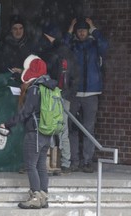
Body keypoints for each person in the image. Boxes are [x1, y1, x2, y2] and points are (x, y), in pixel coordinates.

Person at [0, 55, 56, 209]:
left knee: (31, 165)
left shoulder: (35, 88)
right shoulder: (49, 86)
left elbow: (25, 112)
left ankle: (36, 197)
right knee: (41, 165)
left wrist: (8, 124)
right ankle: (43, 196)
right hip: (47, 131)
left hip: (34, 131)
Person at [64, 17, 109, 173]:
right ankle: (74, 160)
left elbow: (105, 46)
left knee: (89, 128)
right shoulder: (73, 46)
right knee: (72, 128)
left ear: (87, 31)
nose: (82, 32)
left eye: (84, 30)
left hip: (91, 91)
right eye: (79, 30)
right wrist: (70, 29)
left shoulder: (94, 45)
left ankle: (87, 161)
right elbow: (62, 47)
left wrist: (93, 28)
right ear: (76, 32)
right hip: (74, 93)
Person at [39, 23, 79, 173]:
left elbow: (48, 74)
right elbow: (75, 77)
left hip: (54, 95)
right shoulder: (68, 53)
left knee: (50, 128)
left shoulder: (52, 53)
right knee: (63, 130)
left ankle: (51, 161)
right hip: (63, 94)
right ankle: (64, 162)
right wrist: (68, 93)